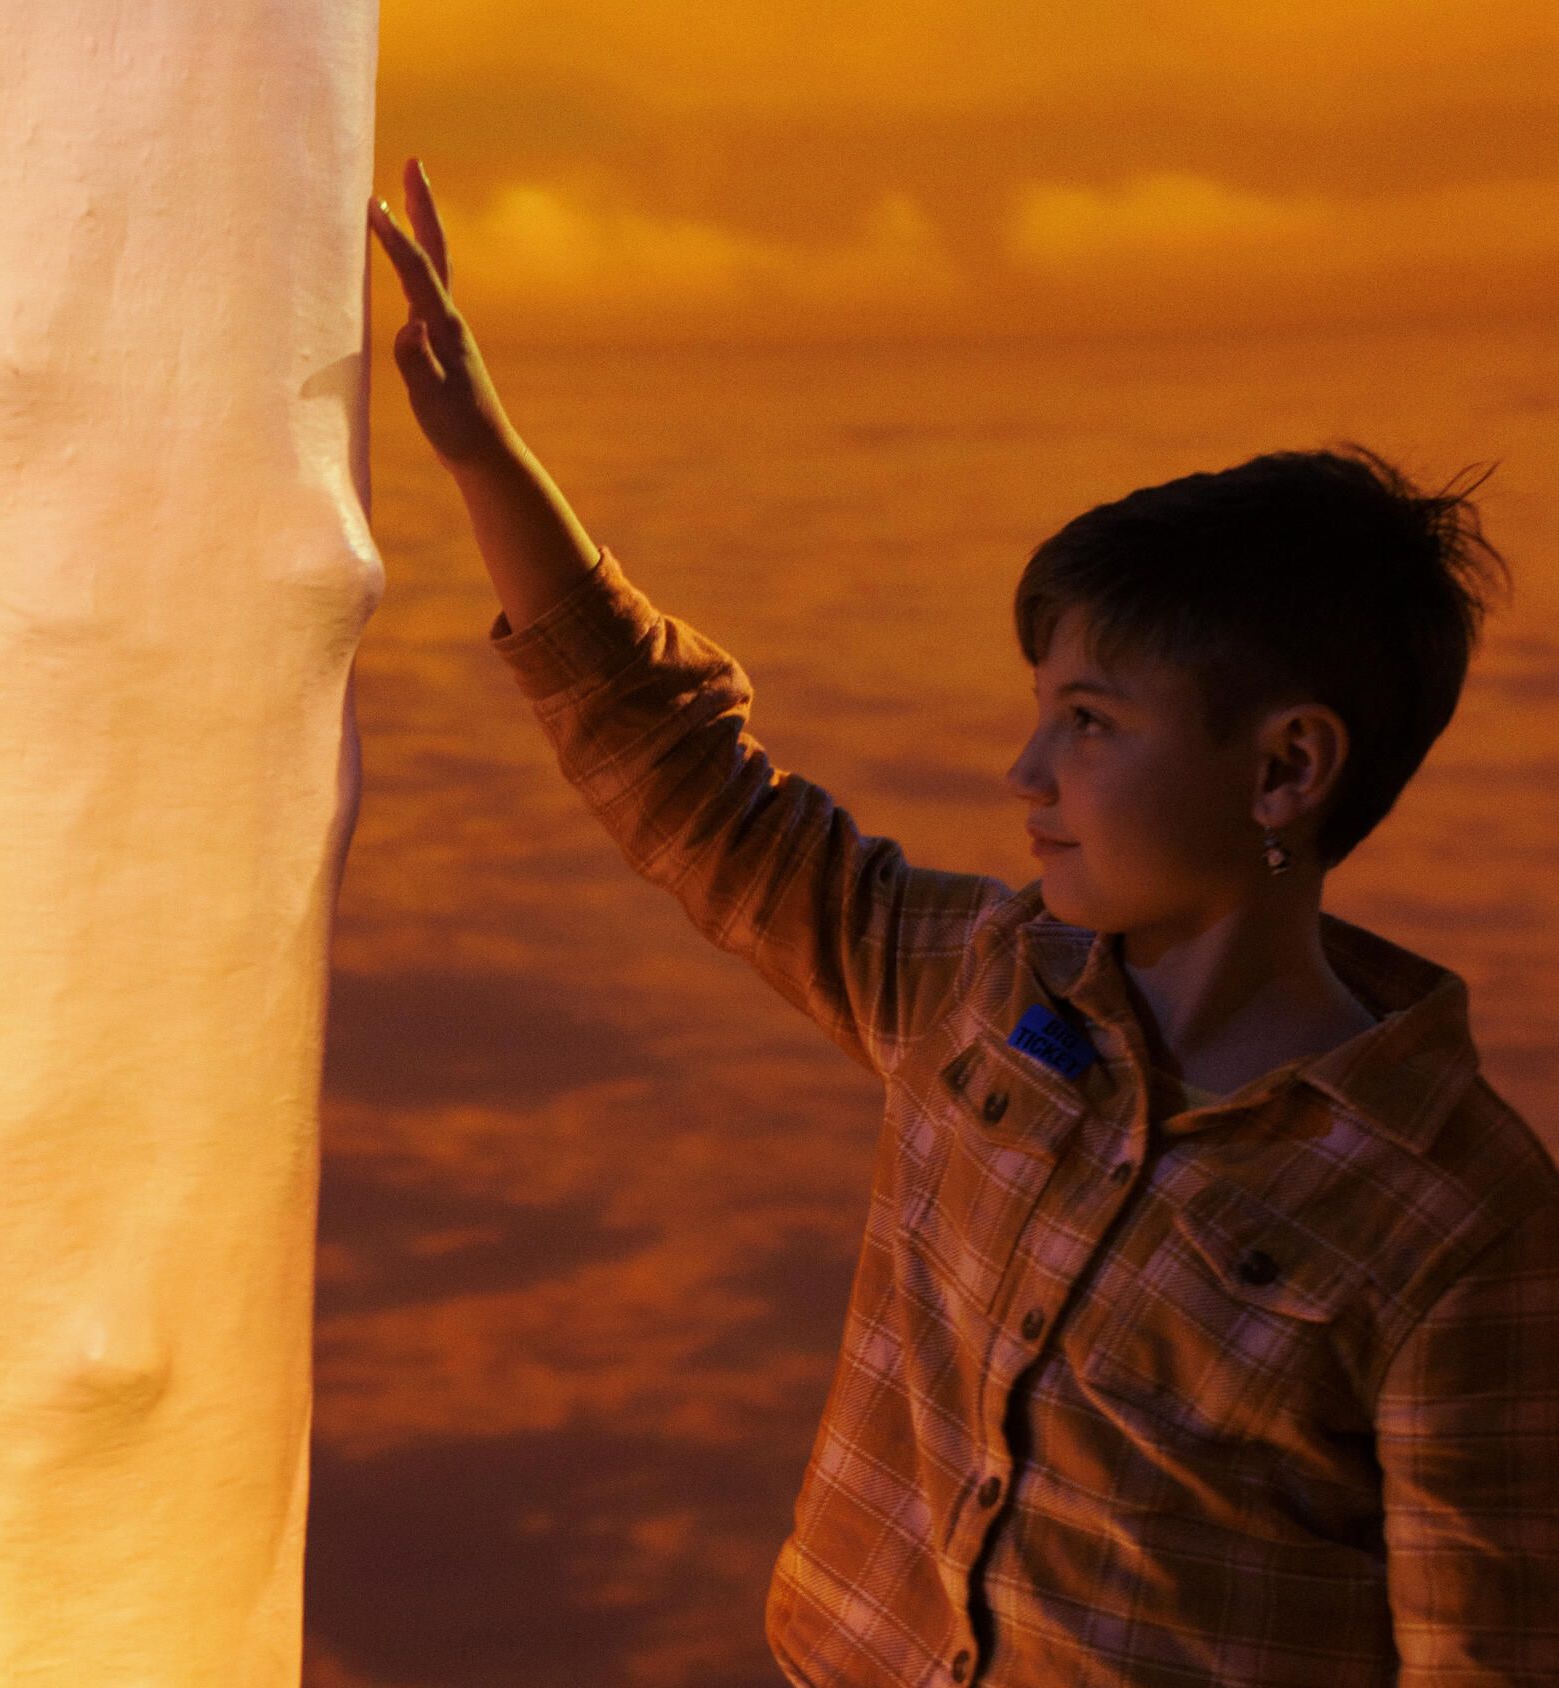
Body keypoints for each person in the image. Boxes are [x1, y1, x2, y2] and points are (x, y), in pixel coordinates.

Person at [364, 156, 1556, 1686]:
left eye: (1092, 722)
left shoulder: (1457, 1222)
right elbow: (684, 778)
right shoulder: (981, 987)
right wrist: (483, 453)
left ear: (1286, 768)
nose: (1028, 770)